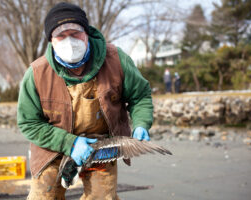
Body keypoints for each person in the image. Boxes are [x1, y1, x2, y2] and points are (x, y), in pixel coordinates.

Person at [17, 2, 153, 200]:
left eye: (75, 33)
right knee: (43, 196)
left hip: (102, 146)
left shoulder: (116, 60)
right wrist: (70, 144)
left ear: (87, 33)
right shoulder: (37, 73)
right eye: (61, 36)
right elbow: (29, 123)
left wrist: (142, 123)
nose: (69, 41)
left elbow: (140, 96)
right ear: (51, 40)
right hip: (53, 147)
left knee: (102, 197)